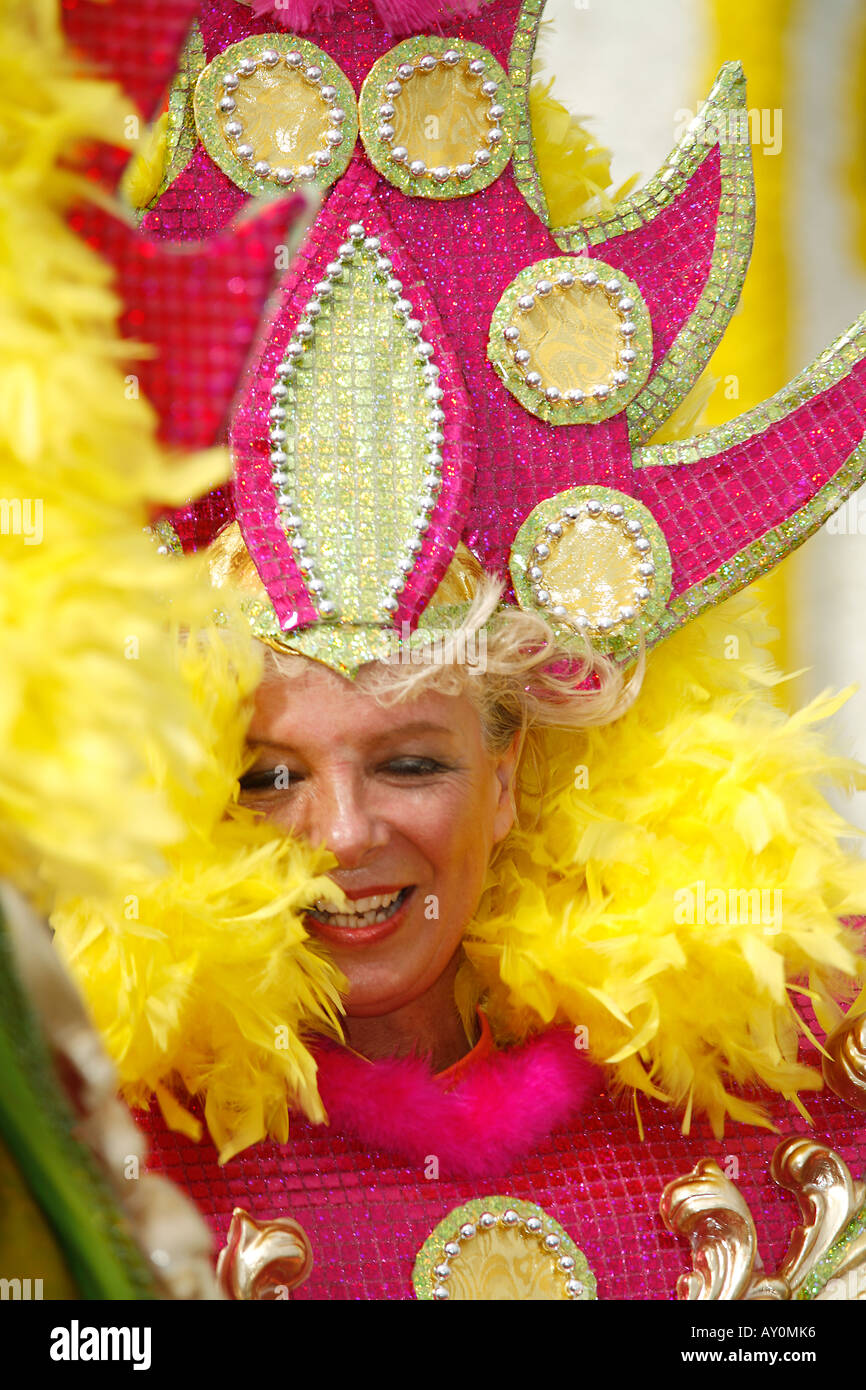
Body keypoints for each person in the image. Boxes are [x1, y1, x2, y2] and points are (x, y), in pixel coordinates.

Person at [41, 0, 866, 1301]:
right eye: (269, 773)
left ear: (511, 765)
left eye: (408, 761)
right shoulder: (79, 1142)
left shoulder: (797, 1088)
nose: (339, 836)